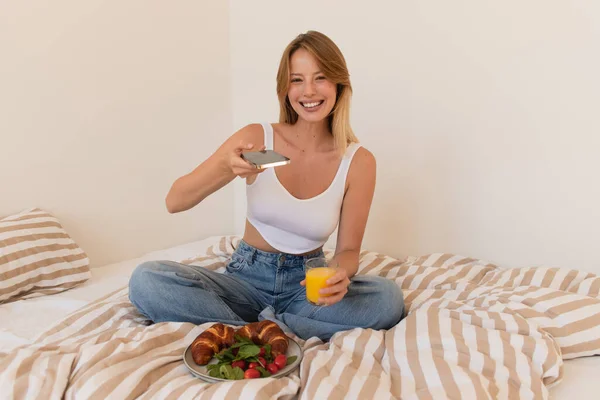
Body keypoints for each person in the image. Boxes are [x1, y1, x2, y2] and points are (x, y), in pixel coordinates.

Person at [129, 30, 405, 341]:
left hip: (306, 289)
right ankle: (279, 332)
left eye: (321, 77)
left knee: (387, 299)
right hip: (244, 282)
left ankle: (249, 331)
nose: (309, 91)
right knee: (147, 280)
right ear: (285, 88)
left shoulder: (358, 161)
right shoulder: (260, 140)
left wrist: (340, 274)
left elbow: (349, 251)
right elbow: (174, 201)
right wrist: (225, 167)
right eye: (297, 79)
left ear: (339, 84)